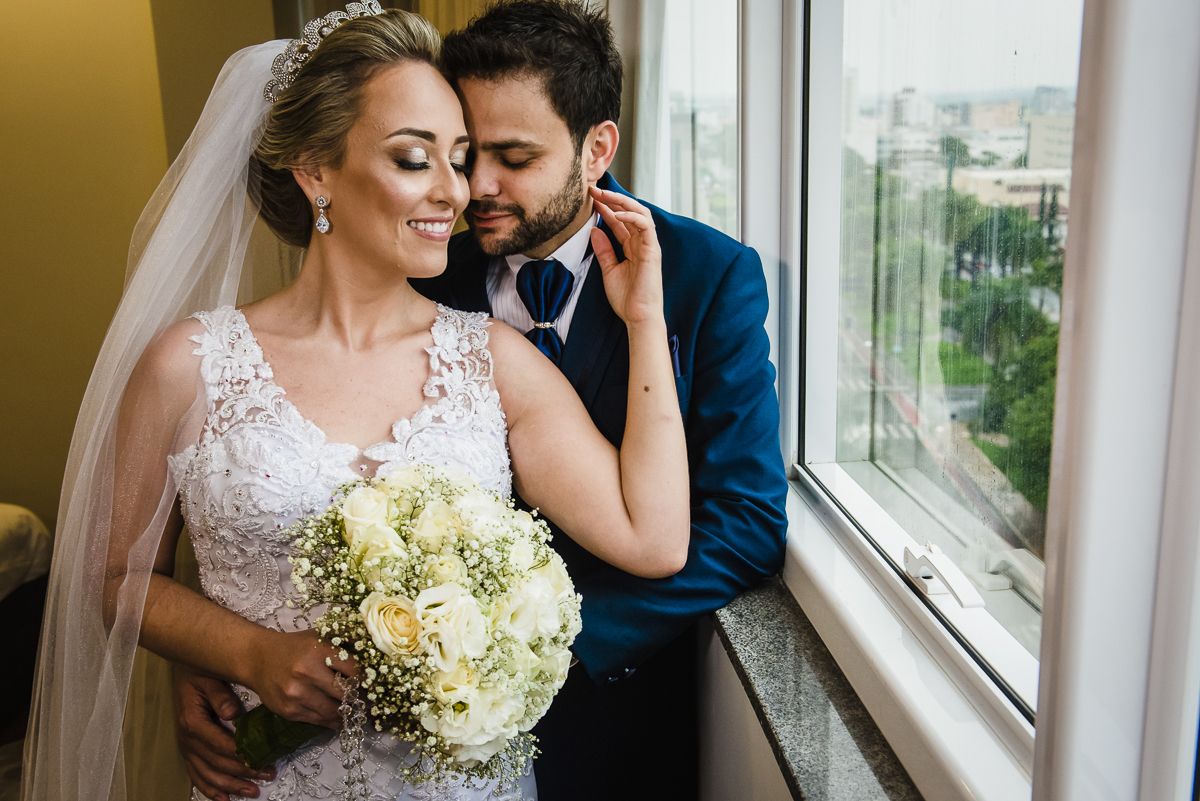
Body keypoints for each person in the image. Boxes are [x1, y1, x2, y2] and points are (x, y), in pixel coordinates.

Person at [23, 7, 692, 801]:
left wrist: (645, 319)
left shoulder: (491, 361)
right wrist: (245, 653)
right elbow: (108, 576)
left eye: (461, 157)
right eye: (416, 159)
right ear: (315, 170)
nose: (456, 190)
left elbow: (653, 538)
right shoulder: (189, 366)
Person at [176, 2, 789, 800]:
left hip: (610, 716)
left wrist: (516, 646)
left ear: (596, 148)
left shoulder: (705, 277)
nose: (473, 189)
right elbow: (251, 507)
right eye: (464, 153)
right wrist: (217, 652)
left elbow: (743, 525)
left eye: (511, 156)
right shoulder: (425, 264)